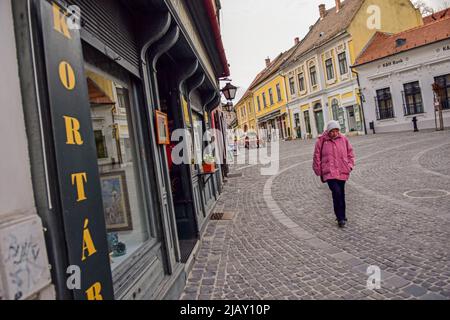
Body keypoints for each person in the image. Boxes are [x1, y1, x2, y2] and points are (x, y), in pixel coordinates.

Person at [313, 120, 355, 228]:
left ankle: (343, 215)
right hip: (329, 172)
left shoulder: (343, 139)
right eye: (332, 131)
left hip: (342, 170)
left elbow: (350, 153)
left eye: (336, 131)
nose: (334, 133)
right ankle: (340, 218)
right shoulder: (321, 141)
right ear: (328, 131)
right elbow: (316, 156)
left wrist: (349, 166)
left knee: (341, 194)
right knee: (336, 193)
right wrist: (318, 170)